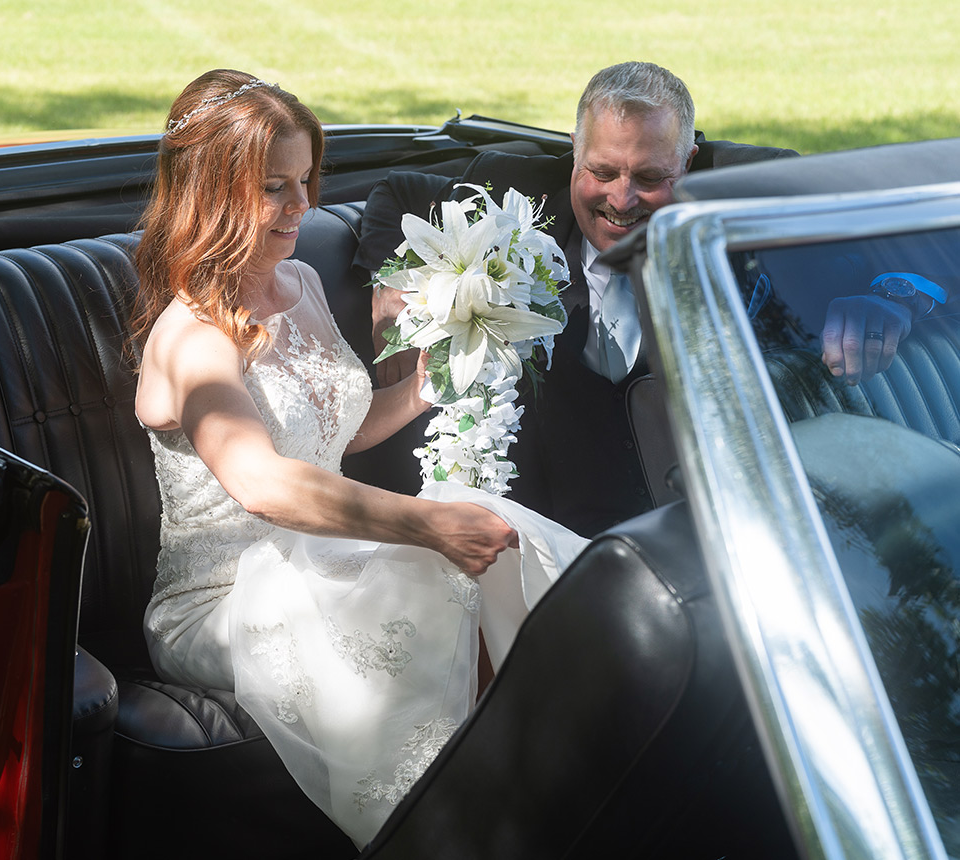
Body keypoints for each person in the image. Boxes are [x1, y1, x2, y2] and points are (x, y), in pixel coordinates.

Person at [131, 69, 588, 848]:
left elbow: (336, 433)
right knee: (438, 565)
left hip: (330, 550)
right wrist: (429, 524)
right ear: (208, 194)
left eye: (305, 179)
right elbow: (260, 479)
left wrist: (433, 376)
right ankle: (462, 824)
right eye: (273, 187)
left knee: (504, 532)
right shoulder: (193, 338)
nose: (300, 206)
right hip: (224, 593)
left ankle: (557, 782)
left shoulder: (301, 282)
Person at [363, 61, 926, 535]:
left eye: (650, 177)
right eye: (601, 171)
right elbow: (398, 192)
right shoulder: (514, 185)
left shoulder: (751, 187)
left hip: (713, 535)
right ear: (574, 154)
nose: (620, 199)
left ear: (690, 160)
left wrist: (890, 297)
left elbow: (912, 241)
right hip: (541, 527)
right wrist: (391, 283)